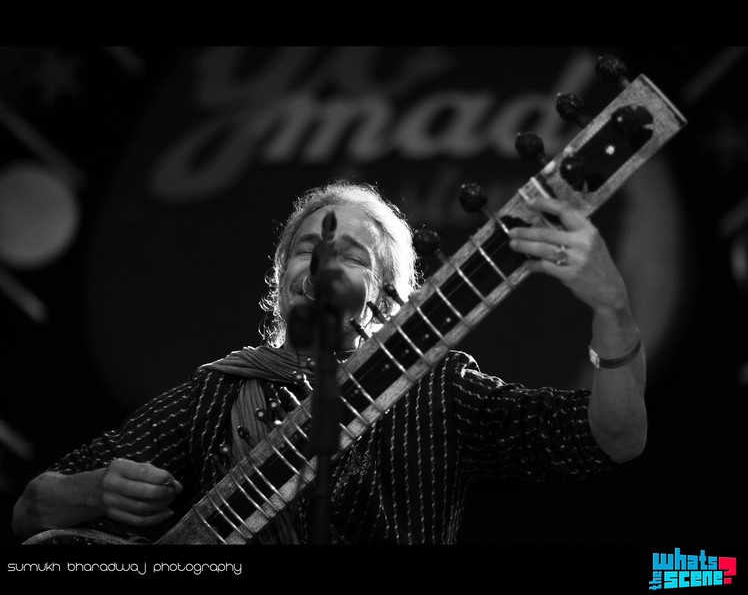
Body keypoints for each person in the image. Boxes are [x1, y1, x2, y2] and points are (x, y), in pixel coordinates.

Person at [11, 179, 646, 545]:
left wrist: (613, 309)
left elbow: (615, 437)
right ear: (281, 281)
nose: (321, 265)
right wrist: (95, 488)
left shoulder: (440, 391)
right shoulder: (219, 393)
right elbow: (30, 513)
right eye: (306, 249)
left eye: (351, 256)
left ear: (391, 299)